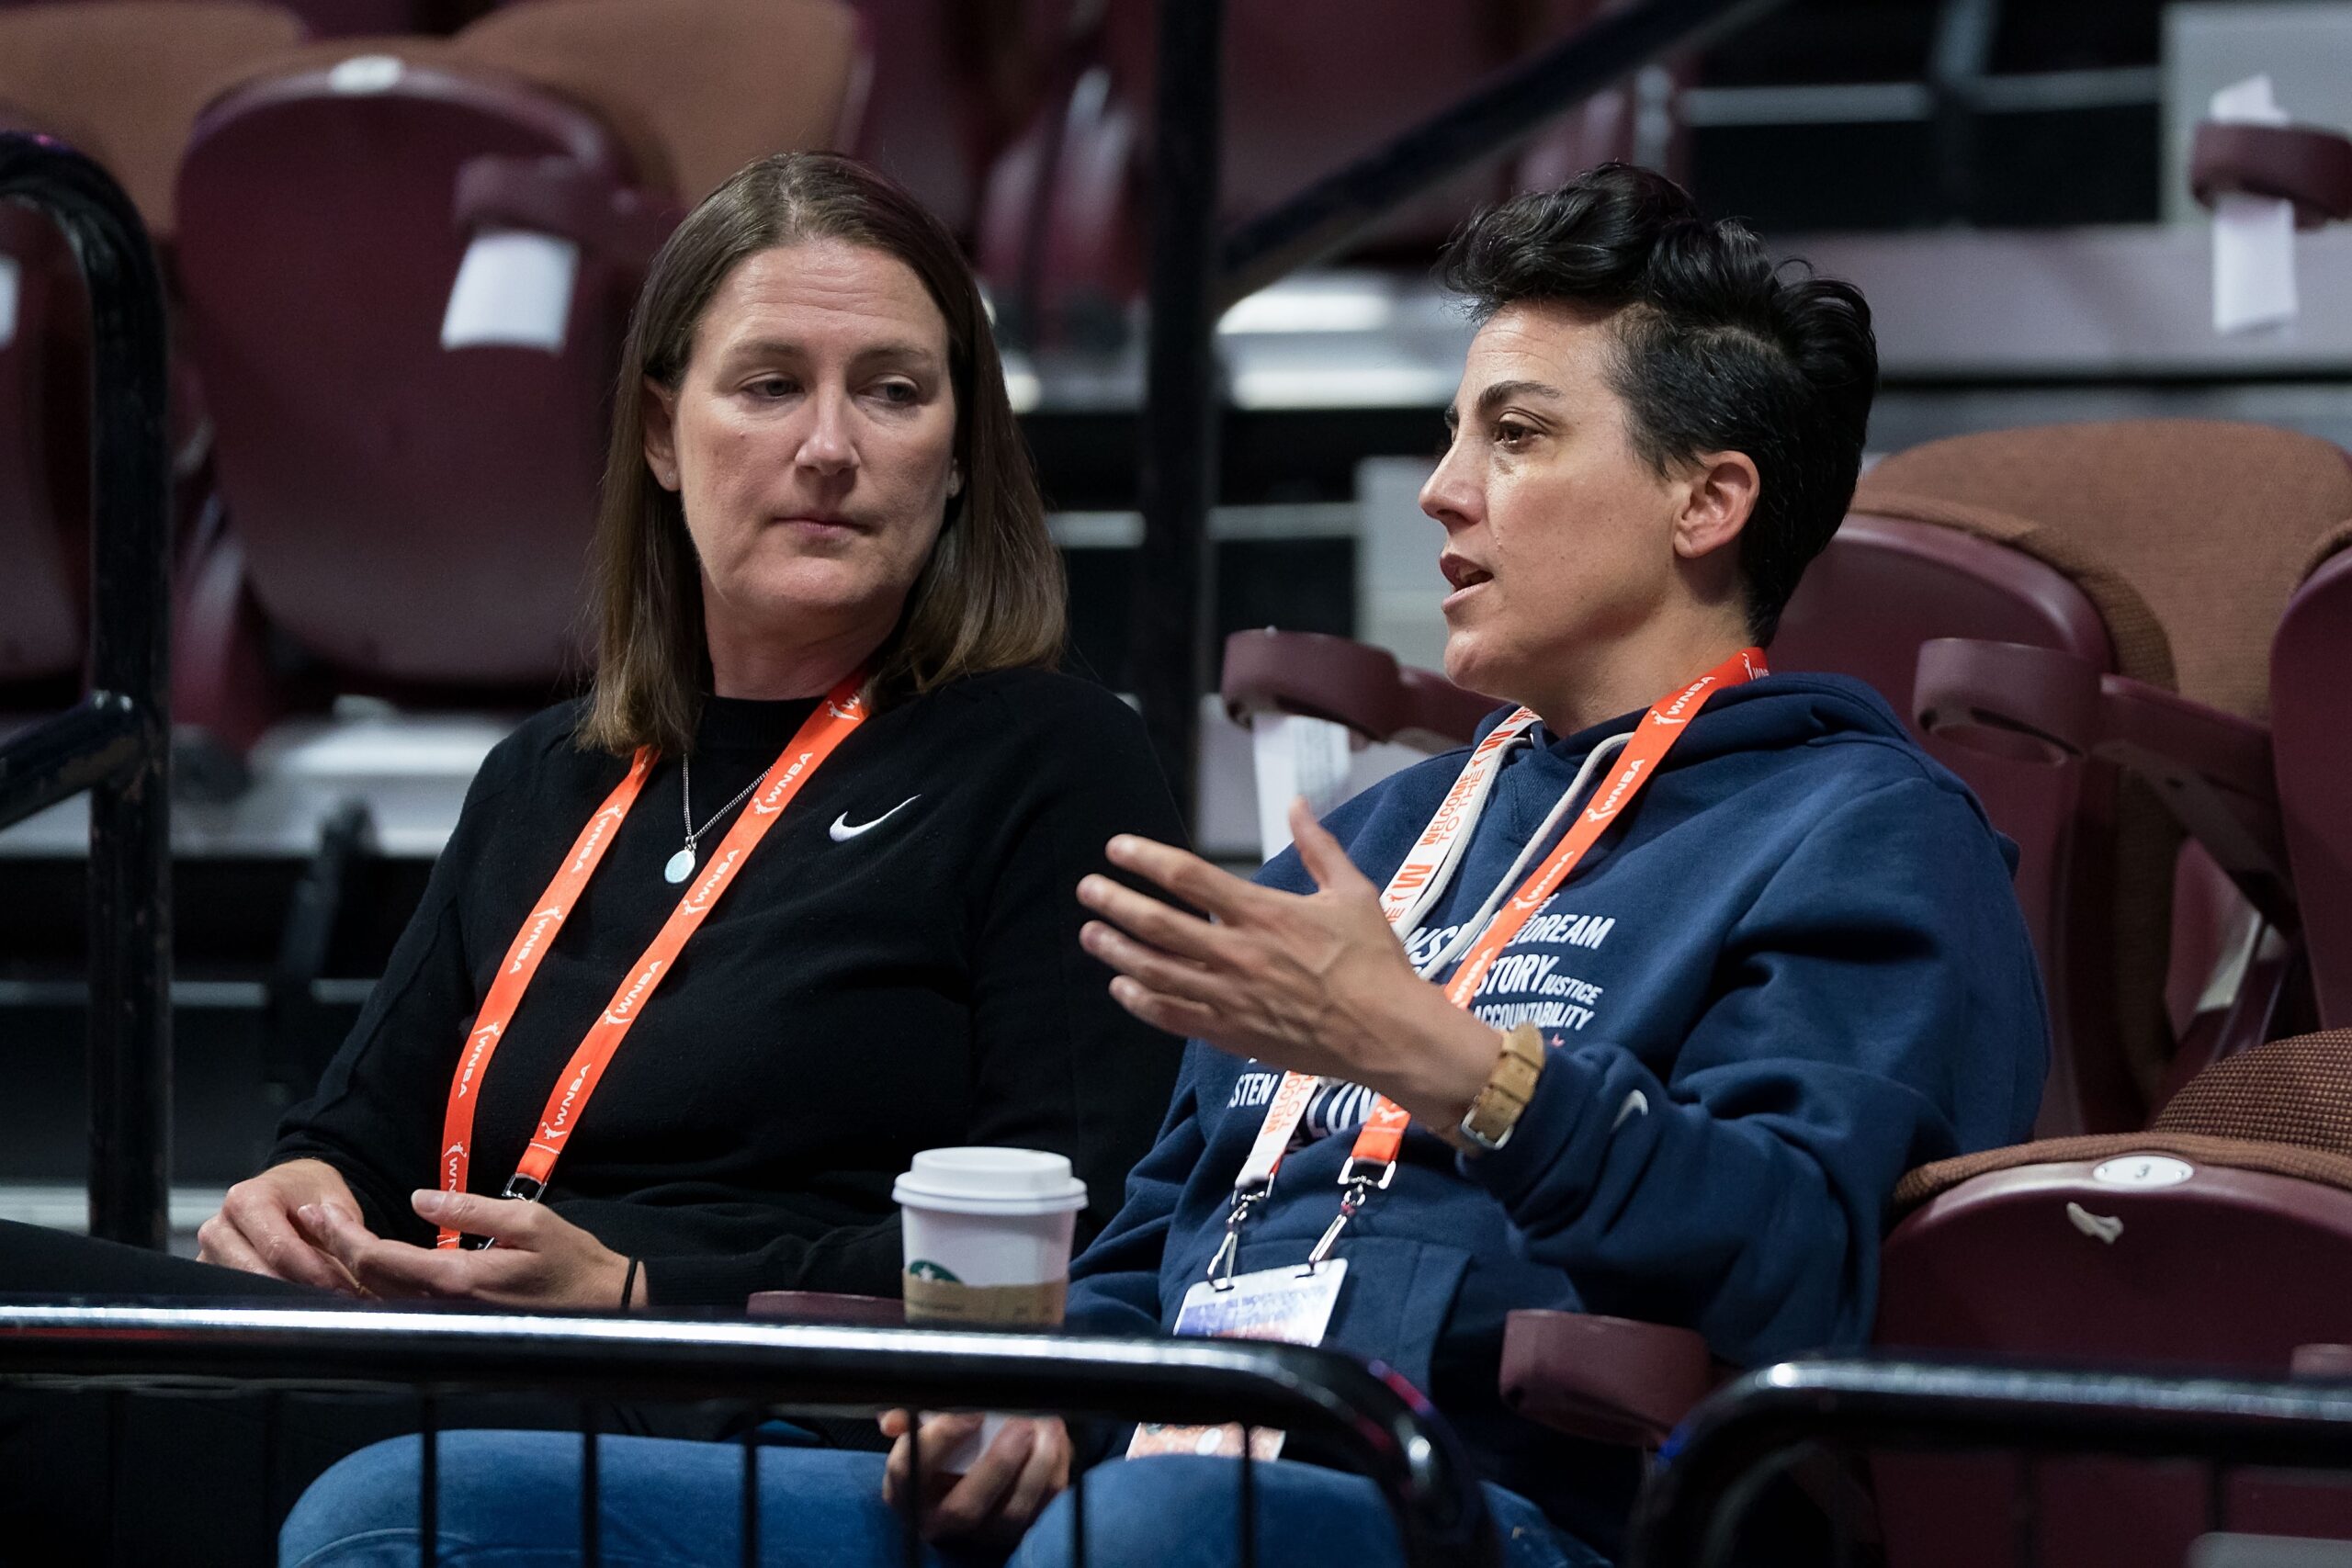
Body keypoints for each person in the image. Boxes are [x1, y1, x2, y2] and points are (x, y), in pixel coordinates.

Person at [277, 164, 2049, 1568]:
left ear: (1708, 500)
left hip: (1492, 1508)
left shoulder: (1860, 829)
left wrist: (1448, 1063)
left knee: (1164, 1531)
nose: (1441, 492)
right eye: (1454, 434)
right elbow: (1148, 1241)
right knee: (406, 1512)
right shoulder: (1379, 838)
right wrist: (1037, 1395)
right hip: (1143, 1486)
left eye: (1513, 437)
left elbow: (1811, 1264)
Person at [0, 151, 1183, 1562]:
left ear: (958, 455)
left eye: (892, 389)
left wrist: (637, 1289)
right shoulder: (547, 776)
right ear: (663, 434)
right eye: (768, 385)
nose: (828, 445)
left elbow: (1074, 1226)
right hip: (424, 1364)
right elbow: (357, 1139)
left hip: (748, 1405)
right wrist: (296, 1207)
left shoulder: (1049, 762)